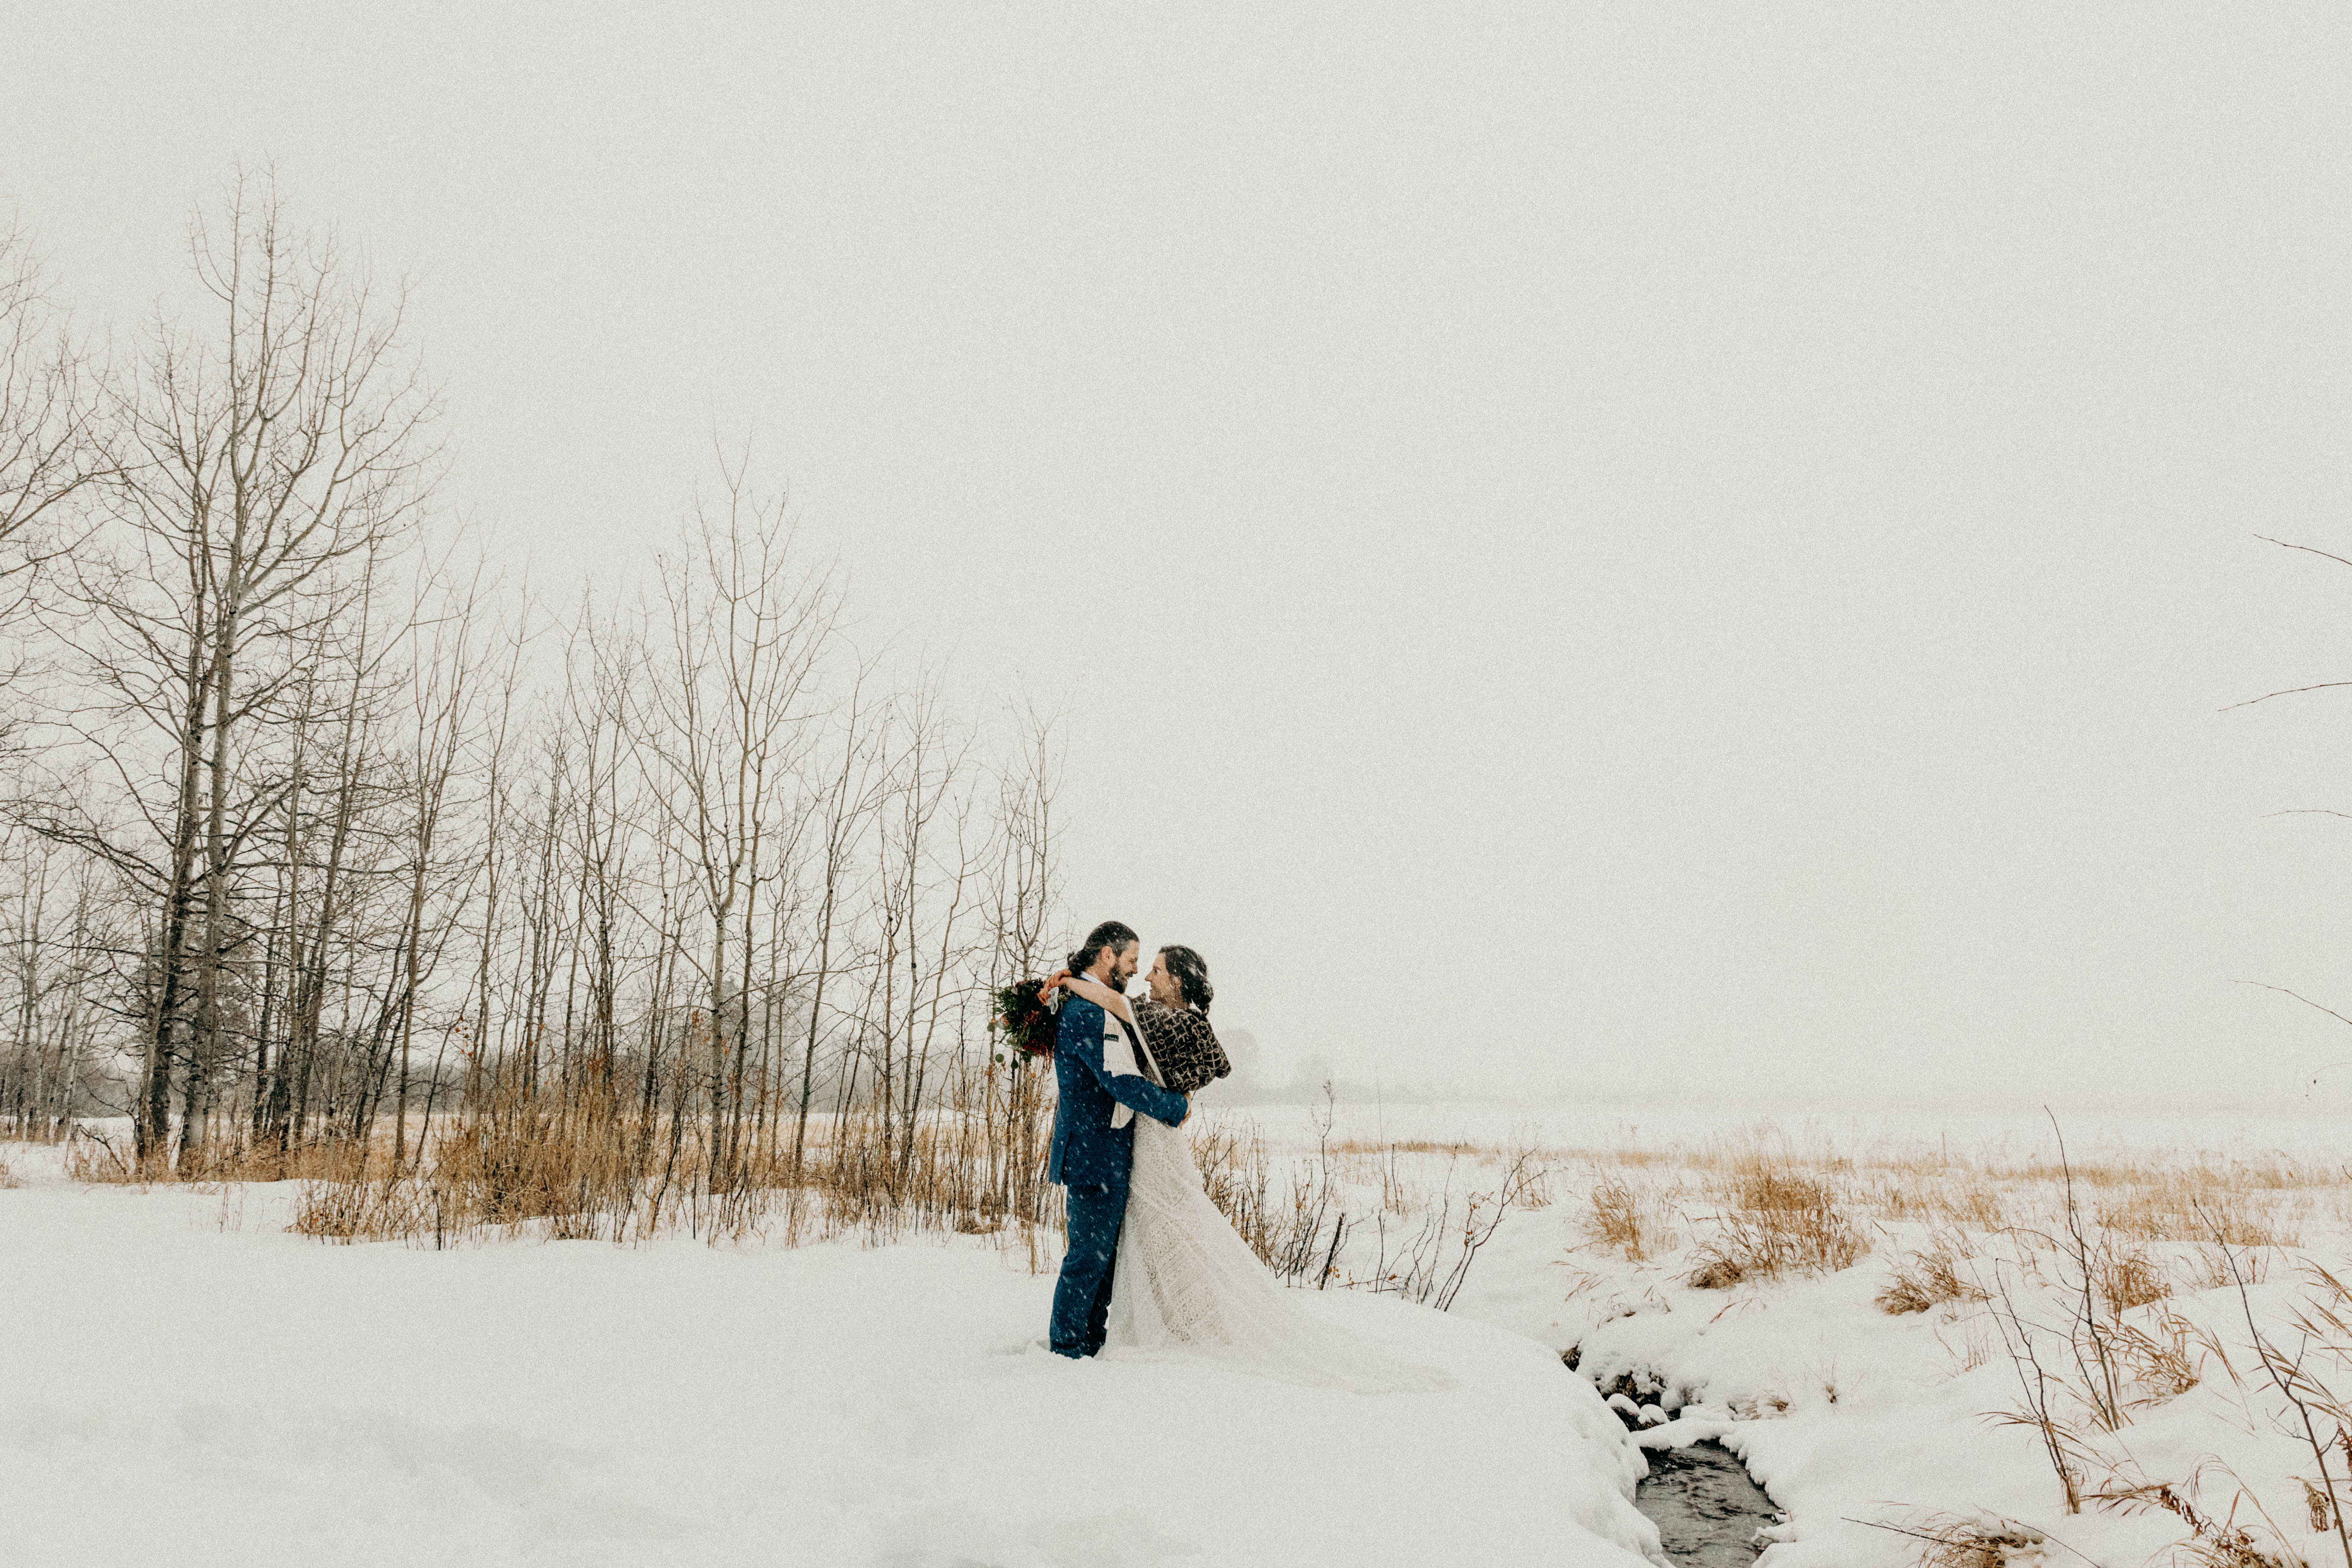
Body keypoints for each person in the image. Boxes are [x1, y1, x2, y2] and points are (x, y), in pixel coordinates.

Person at [1044, 947, 1439, 1390]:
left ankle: (1172, 1318)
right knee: (1154, 1232)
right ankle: (1160, 1314)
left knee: (1163, 1227)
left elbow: (1117, 1007)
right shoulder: (1173, 1019)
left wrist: (1069, 981)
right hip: (1146, 1139)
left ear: (1177, 981)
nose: (1146, 976)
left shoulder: (1170, 1022)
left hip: (1155, 1138)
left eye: (1156, 970)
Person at [1045, 921, 1191, 1359]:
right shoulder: (1086, 1014)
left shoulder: (1093, 1003)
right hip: (1093, 1153)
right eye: (1130, 960)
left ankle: (1089, 1341)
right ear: (1107, 954)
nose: (1134, 970)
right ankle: (1067, 1347)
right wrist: (1175, 1106)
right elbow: (1120, 1081)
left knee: (1102, 1259)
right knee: (1088, 1258)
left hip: (1102, 1152)